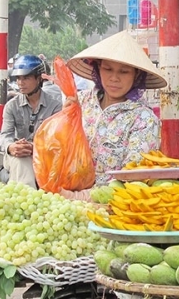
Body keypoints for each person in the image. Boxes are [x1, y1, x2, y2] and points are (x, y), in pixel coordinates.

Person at [59, 29, 167, 200]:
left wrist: (85, 196)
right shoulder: (81, 102)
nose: (114, 78)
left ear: (136, 75)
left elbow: (132, 177)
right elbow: (59, 148)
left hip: (111, 207)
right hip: (64, 195)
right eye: (108, 69)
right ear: (98, 69)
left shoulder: (144, 120)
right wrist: (64, 120)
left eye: (124, 72)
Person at [0, 55, 62, 189]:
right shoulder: (11, 106)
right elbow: (5, 134)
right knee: (22, 160)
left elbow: (56, 140)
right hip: (16, 155)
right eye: (18, 78)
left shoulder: (55, 106)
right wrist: (11, 147)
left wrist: (35, 147)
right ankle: (26, 198)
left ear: (39, 79)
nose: (21, 83)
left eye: (26, 78)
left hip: (45, 156)